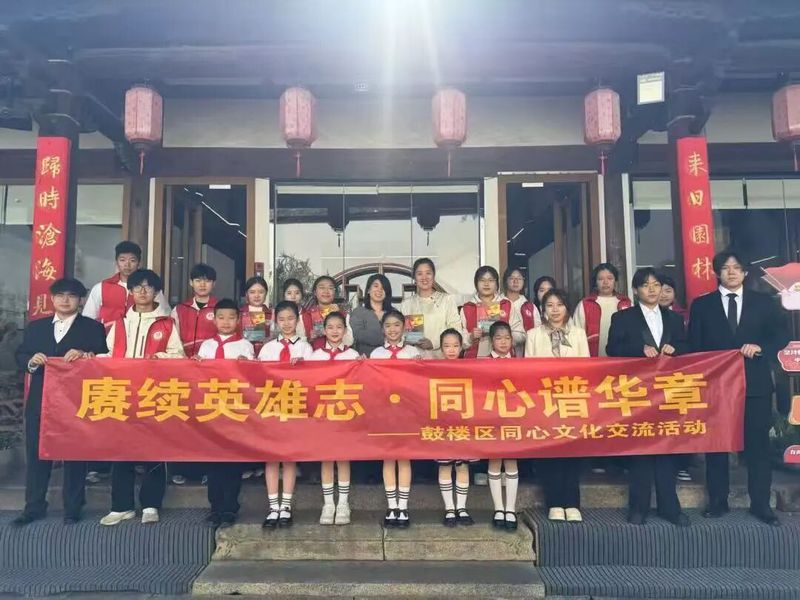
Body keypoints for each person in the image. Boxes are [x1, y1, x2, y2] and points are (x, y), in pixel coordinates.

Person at [689, 251, 787, 526]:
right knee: (717, 446)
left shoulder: (763, 302)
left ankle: (761, 505)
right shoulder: (702, 305)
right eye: (725, 268)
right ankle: (717, 501)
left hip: (755, 385)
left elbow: (782, 335)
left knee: (758, 446)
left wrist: (761, 347)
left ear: (745, 272)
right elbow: (694, 345)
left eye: (736, 267)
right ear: (716, 273)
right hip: (716, 386)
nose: (731, 272)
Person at [13, 278, 108, 525]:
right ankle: (33, 506)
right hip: (41, 400)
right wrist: (32, 361)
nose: (65, 300)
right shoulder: (36, 327)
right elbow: (21, 355)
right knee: (37, 453)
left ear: (80, 301)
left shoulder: (92, 328)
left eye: (72, 296)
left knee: (75, 454)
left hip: (76, 401)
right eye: (60, 295)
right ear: (52, 299)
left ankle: (73, 508)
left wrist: (86, 356)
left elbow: (104, 359)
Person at [99, 269, 185, 526]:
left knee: (154, 450)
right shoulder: (119, 323)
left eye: (148, 287)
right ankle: (121, 506)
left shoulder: (166, 323)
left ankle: (151, 504)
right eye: (138, 287)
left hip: (153, 394)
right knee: (120, 450)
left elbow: (179, 357)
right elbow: (108, 355)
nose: (143, 291)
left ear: (156, 291)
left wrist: (160, 358)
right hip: (122, 393)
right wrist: (89, 359)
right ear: (131, 291)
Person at [606, 267, 690, 527]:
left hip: (667, 392)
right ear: (635, 290)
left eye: (656, 284)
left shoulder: (674, 318)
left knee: (667, 449)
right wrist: (639, 349)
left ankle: (670, 508)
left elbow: (688, 346)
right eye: (645, 285)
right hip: (638, 393)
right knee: (640, 451)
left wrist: (676, 348)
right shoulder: (623, 318)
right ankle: (639, 507)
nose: (652, 289)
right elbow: (612, 349)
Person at [525, 288, 589, 522]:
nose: (555, 310)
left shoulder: (579, 334)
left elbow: (586, 368)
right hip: (545, 401)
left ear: (567, 308)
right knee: (549, 452)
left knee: (572, 451)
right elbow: (528, 369)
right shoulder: (533, 335)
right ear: (543, 310)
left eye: (559, 305)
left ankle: (572, 502)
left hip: (572, 400)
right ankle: (554, 502)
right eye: (550, 305)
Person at [193, 298, 254, 528]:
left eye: (231, 318)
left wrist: (247, 364)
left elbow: (253, 376)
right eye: (221, 317)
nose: (226, 322)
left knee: (232, 461)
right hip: (211, 409)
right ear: (214, 320)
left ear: (238, 320)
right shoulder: (207, 346)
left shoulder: (245, 346)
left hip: (234, 409)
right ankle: (215, 507)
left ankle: (230, 507)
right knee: (213, 461)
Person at [257, 300, 313, 528]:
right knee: (271, 457)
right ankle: (273, 506)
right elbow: (258, 377)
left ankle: (286, 505)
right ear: (275, 322)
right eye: (282, 319)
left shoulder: (306, 348)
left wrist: (302, 367)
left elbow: (314, 378)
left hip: (294, 406)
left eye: (291, 318)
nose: (286, 323)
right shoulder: (268, 348)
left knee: (289, 456)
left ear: (297, 320)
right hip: (271, 405)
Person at [370, 309, 422, 528]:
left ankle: (403, 506)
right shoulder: (376, 354)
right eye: (388, 325)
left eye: (397, 325)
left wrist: (421, 365)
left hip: (407, 412)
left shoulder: (413, 352)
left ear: (404, 327)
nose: (392, 329)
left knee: (404, 457)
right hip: (385, 413)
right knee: (388, 457)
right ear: (382, 329)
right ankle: (392, 506)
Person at [308, 311, 360, 525]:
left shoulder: (353, 355)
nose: (335, 331)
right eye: (330, 327)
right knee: (327, 458)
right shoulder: (315, 356)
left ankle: (343, 503)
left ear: (345, 331)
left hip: (345, 415)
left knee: (343, 457)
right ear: (324, 330)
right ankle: (328, 503)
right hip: (322, 415)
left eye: (339, 327)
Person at [435, 328, 476, 527]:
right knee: (445, 465)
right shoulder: (432, 368)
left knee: (463, 465)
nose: (451, 350)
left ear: (461, 347)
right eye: (447, 346)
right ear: (441, 348)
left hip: (463, 425)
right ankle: (449, 508)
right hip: (442, 424)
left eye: (455, 346)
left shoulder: (469, 368)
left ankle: (461, 507)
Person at [484, 321, 520, 531]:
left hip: (513, 418)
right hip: (490, 418)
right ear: (491, 341)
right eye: (498, 338)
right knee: (495, 461)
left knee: (512, 461)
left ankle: (510, 508)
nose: (503, 342)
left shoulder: (519, 363)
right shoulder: (482, 363)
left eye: (507, 338)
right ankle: (498, 508)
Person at [82, 241, 167, 327]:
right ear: (116, 262)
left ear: (139, 263)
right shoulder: (101, 287)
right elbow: (88, 318)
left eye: (132, 260)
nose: (127, 265)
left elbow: (164, 316)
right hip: (106, 334)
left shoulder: (150, 288)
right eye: (122, 260)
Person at [400, 258, 463, 354]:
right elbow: (400, 333)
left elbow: (456, 330)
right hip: (415, 357)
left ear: (433, 276)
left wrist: (434, 343)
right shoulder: (407, 304)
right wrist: (408, 339)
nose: (424, 277)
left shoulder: (446, 300)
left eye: (428, 273)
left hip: (441, 357)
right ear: (414, 278)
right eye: (419, 274)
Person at [461, 266, 525, 358]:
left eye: (491, 280)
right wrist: (470, 337)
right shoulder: (467, 308)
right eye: (482, 280)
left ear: (496, 284)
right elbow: (457, 340)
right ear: (476, 283)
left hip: (504, 359)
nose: (486, 284)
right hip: (474, 360)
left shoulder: (506, 305)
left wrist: (505, 336)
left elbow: (521, 334)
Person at [572, 262, 631, 357]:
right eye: (600, 279)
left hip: (621, 360)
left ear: (615, 281)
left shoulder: (626, 303)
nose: (605, 282)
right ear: (595, 282)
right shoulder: (585, 304)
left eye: (610, 278)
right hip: (592, 360)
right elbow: (576, 336)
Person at [171, 263, 218, 358]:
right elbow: (173, 341)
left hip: (212, 360)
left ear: (214, 284)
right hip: (184, 360)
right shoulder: (179, 310)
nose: (202, 285)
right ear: (191, 282)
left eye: (207, 281)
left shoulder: (220, 309)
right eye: (198, 281)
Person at [300, 275, 353, 350]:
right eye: (322, 287)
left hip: (338, 355)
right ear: (315, 292)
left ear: (334, 292)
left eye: (330, 288)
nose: (326, 291)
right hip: (313, 356)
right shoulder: (305, 316)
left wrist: (338, 317)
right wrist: (309, 338)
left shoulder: (344, 315)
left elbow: (349, 342)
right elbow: (298, 345)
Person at [350, 273, 393, 357]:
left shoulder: (393, 313)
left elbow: (401, 334)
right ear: (368, 290)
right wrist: (388, 338)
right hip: (366, 360)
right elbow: (358, 335)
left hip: (390, 360)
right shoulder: (358, 312)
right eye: (376, 286)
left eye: (383, 288)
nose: (379, 290)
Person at [503, 268, 542, 357]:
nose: (516, 281)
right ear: (506, 281)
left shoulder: (530, 306)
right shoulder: (498, 303)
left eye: (519, 278)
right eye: (512, 278)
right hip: (502, 352)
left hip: (526, 351)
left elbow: (537, 331)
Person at [240, 276, 273, 356]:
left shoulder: (272, 315)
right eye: (252, 292)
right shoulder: (239, 314)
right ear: (246, 294)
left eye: (261, 292)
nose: (257, 296)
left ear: (266, 293)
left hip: (267, 354)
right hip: (243, 354)